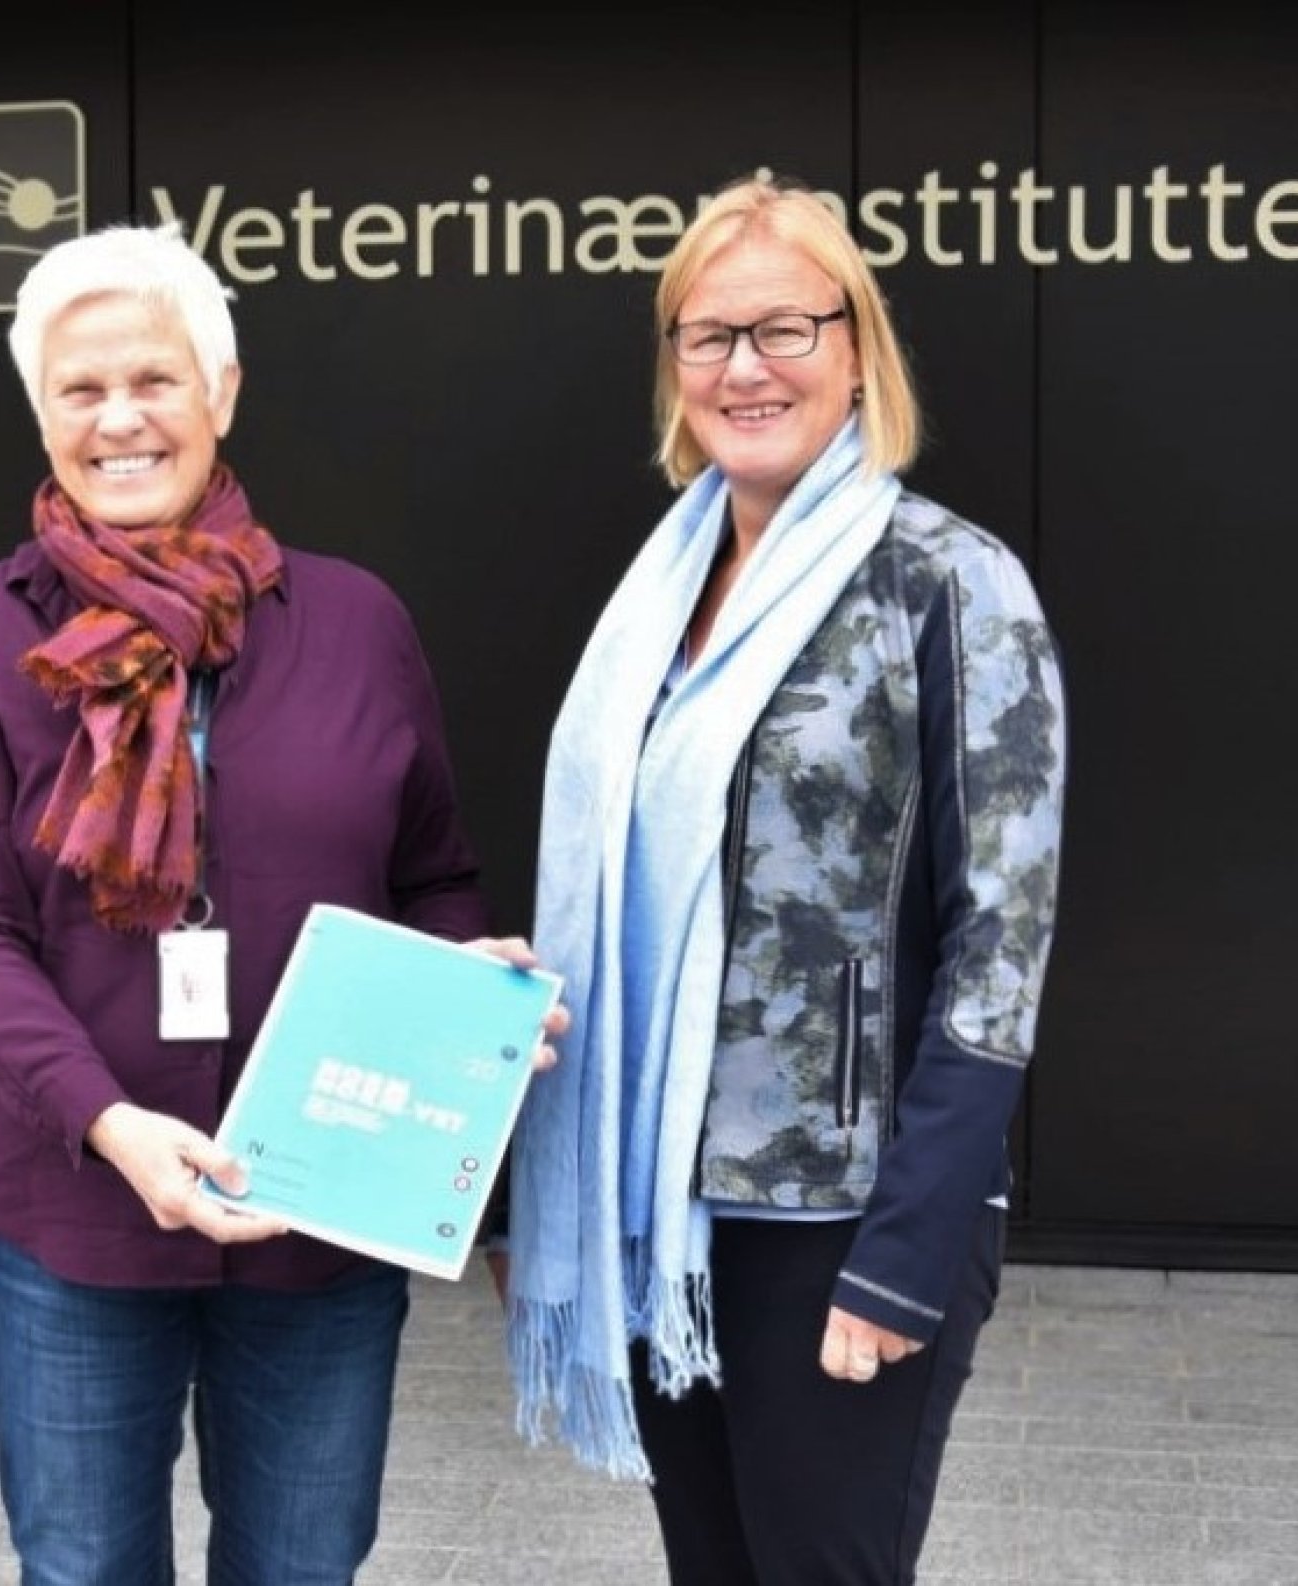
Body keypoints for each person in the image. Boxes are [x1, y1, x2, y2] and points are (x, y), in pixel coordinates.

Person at [0, 222, 553, 1586]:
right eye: (81, 390)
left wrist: (462, 991)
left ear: (224, 392)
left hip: (319, 1214)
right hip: (70, 1215)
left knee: (305, 1568)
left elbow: (432, 872)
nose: (121, 417)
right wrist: (113, 1125)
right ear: (41, 412)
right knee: (82, 1571)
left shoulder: (359, 621)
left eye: (155, 378)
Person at [505, 174, 1068, 1585]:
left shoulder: (949, 583)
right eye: (707, 336)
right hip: (666, 1213)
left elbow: (1004, 942)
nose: (744, 366)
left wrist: (908, 1254)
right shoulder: (661, 593)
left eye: (784, 328)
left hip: (843, 1222)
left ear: (857, 350)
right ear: (673, 368)